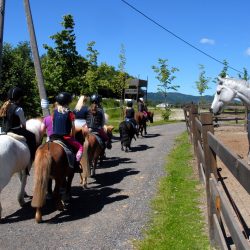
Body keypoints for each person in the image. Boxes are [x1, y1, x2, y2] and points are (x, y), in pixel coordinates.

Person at [0, 86, 37, 161]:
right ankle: (33, 157)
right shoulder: (18, 109)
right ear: (19, 98)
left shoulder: (4, 106)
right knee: (32, 136)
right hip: (15, 130)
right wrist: (24, 129)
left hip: (4, 130)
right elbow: (23, 123)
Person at [52, 92, 83, 173]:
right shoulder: (70, 114)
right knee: (80, 147)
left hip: (54, 137)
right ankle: (76, 164)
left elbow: (53, 124)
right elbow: (73, 128)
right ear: (68, 102)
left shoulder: (54, 112)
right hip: (66, 137)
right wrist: (73, 137)